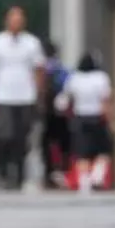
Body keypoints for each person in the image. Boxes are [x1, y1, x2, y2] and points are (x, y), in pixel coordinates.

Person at [0, 6, 45, 190]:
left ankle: (18, 175)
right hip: (2, 96)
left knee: (22, 138)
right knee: (2, 136)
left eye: (19, 19)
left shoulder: (32, 43)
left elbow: (39, 70)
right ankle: (0, 170)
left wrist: (39, 95)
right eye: (13, 19)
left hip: (25, 97)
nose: (16, 23)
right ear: (6, 21)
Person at [58, 53, 113, 193]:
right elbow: (105, 100)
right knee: (103, 150)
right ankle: (97, 176)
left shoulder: (74, 78)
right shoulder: (101, 78)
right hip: (97, 117)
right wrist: (109, 117)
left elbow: (67, 99)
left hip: (79, 117)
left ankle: (84, 183)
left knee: (82, 152)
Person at [39, 40, 72, 189]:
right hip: (61, 113)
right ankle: (64, 171)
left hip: (46, 112)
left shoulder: (42, 70)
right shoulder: (62, 69)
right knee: (64, 143)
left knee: (46, 143)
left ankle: (49, 174)